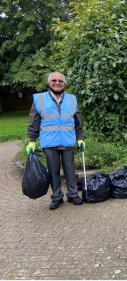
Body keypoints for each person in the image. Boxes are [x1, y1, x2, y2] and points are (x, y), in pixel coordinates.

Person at [26, 72, 85, 209]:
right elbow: (34, 122)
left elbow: (77, 122)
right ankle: (57, 197)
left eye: (60, 81)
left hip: (68, 141)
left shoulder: (72, 99)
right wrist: (32, 141)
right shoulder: (39, 99)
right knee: (53, 172)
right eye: (54, 80)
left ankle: (72, 194)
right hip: (49, 143)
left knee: (70, 170)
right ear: (49, 83)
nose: (57, 83)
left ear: (64, 83)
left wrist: (80, 138)